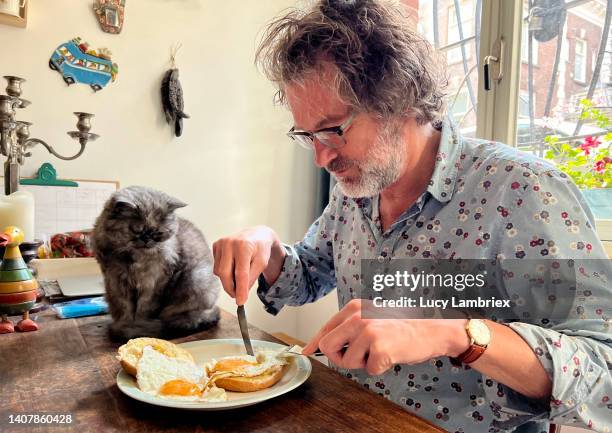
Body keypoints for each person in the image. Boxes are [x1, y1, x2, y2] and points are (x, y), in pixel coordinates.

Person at [212, 1, 612, 431]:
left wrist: (450, 332)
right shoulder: (357, 189)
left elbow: (602, 374)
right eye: (308, 135)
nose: (320, 157)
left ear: (397, 99)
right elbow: (311, 272)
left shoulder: (523, 191)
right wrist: (267, 246)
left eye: (333, 130)